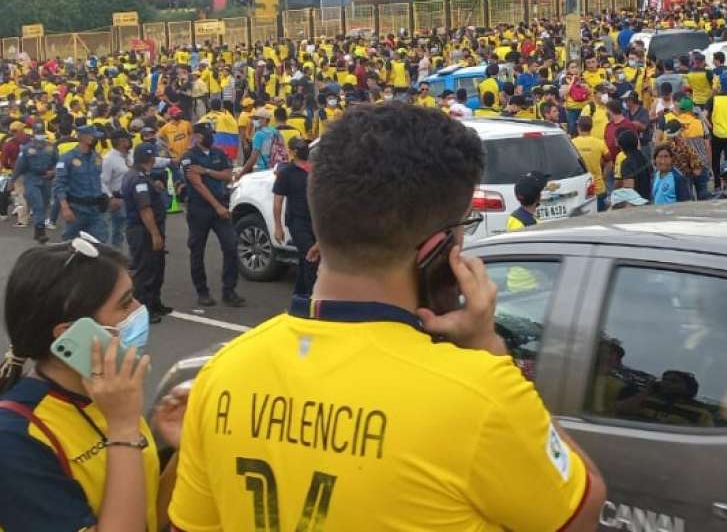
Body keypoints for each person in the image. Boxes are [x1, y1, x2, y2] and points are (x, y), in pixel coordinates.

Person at [168, 103, 606, 530]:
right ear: (438, 248)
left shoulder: (221, 376)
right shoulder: (482, 394)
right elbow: (582, 511)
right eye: (465, 226)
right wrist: (489, 347)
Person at [0, 240, 186, 531]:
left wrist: (183, 451)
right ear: (72, 335)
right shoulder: (14, 440)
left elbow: (146, 516)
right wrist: (123, 429)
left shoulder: (109, 395)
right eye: (125, 304)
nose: (139, 309)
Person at [182, 123, 246, 308]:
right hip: (199, 209)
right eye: (208, 134)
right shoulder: (189, 157)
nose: (211, 137)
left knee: (231, 245)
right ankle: (202, 292)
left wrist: (207, 171)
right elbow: (197, 184)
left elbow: (227, 175)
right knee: (197, 250)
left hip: (220, 206)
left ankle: (229, 290)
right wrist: (216, 205)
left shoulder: (219, 153)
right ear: (198, 137)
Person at [123, 142, 171, 321]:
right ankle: (142, 310)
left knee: (157, 267)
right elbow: (145, 209)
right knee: (145, 270)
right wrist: (155, 234)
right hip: (143, 230)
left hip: (148, 229)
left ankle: (154, 303)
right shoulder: (138, 179)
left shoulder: (143, 176)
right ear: (149, 159)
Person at [273, 137, 318, 297]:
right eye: (299, 148)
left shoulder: (315, 169)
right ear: (292, 151)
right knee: (311, 257)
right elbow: (278, 201)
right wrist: (278, 227)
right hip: (297, 221)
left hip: (315, 221)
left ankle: (299, 297)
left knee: (305, 260)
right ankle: (311, 298)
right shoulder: (286, 173)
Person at [53, 125, 110, 243]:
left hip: (96, 210)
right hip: (76, 209)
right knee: (71, 244)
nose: (95, 139)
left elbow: (102, 181)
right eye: (92, 136)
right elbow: (59, 185)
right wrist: (65, 208)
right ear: (82, 137)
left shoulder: (97, 157)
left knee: (100, 244)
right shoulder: (67, 158)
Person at [14, 125, 57, 243]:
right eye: (38, 132)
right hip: (32, 179)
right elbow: (19, 166)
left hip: (46, 180)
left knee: (45, 204)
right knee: (38, 205)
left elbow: (57, 162)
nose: (40, 135)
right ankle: (40, 232)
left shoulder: (51, 147)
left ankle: (39, 229)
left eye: (41, 132)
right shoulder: (26, 149)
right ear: (34, 134)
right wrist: (13, 180)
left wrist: (53, 171)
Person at [100, 130, 133, 252]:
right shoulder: (108, 159)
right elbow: (102, 181)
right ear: (120, 142)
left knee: (133, 231)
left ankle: (132, 258)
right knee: (117, 232)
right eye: (128, 139)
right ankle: (115, 257)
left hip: (134, 198)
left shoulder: (131, 154)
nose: (130, 141)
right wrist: (111, 198)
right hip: (119, 201)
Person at [573, 115, 609, 211]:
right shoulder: (599, 143)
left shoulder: (572, 143)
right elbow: (609, 161)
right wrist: (604, 175)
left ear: (578, 128)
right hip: (599, 187)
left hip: (580, 188)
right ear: (591, 128)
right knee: (602, 217)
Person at [239, 106, 287, 175]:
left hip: (264, 170)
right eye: (254, 119)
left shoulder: (259, 134)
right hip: (277, 169)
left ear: (265, 120)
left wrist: (241, 173)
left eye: (257, 118)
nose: (254, 121)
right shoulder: (275, 131)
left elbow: (253, 158)